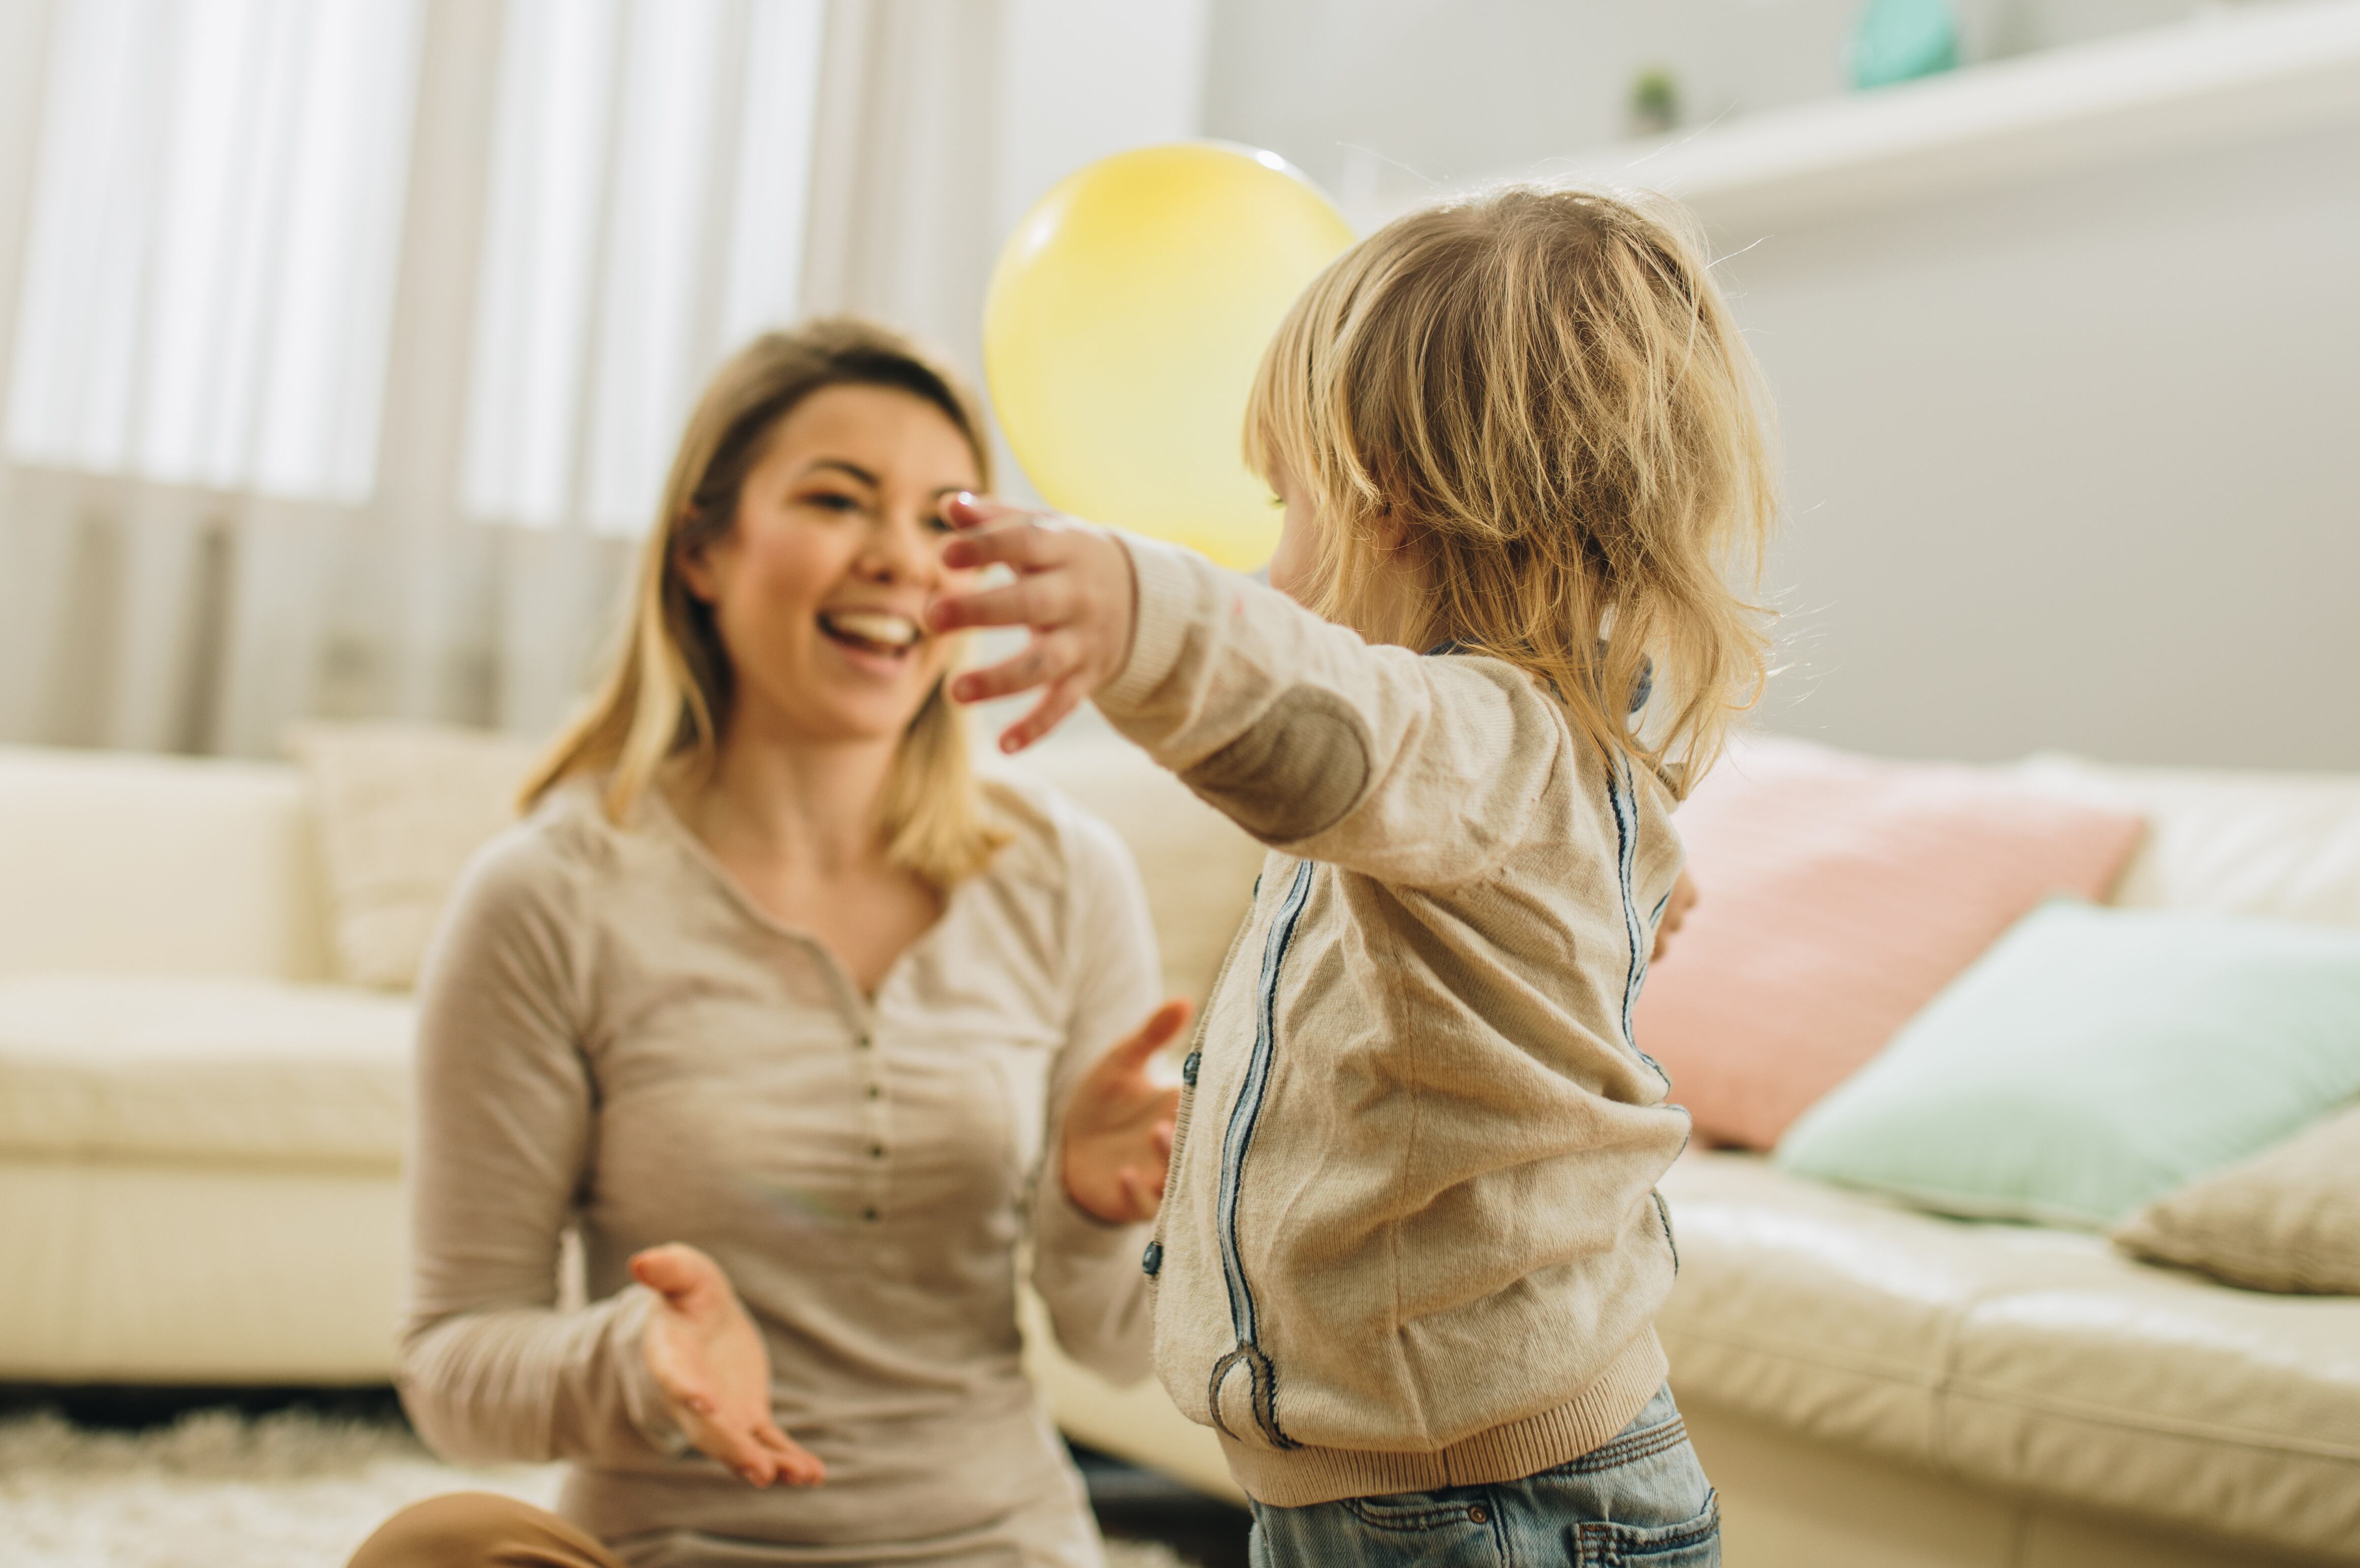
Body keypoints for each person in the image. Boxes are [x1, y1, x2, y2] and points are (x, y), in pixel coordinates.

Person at [926, 184, 1773, 1565]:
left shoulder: (1468, 739)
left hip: (1484, 1514)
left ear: (1386, 500)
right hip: (1386, 1495)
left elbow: (1321, 727)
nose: (1271, 559)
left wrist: (1145, 609)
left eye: (1288, 502)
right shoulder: (1505, 774)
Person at [349, 319, 1189, 1568]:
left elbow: (1121, 1343)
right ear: (702, 548)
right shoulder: (545, 898)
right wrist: (632, 1357)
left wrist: (1090, 1210)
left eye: (942, 519)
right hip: (669, 1544)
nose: (901, 558)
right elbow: (457, 1361)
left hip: (990, 1544)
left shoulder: (1063, 878)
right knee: (437, 1548)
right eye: (839, 500)